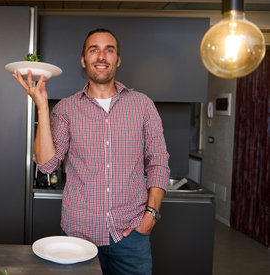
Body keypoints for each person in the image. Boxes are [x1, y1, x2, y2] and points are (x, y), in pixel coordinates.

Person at [13, 28, 170, 275]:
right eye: (93, 50)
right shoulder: (65, 109)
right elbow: (46, 165)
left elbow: (159, 162)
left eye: (109, 50)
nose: (101, 56)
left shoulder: (143, 105)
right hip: (78, 234)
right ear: (84, 60)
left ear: (117, 60)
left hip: (131, 235)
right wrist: (43, 107)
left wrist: (150, 215)